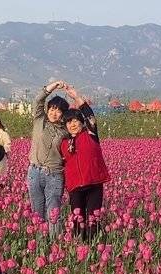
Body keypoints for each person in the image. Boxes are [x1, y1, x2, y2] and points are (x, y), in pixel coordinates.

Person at [28, 80, 71, 238]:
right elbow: (38, 100)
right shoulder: (39, 120)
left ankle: (54, 246)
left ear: (63, 114)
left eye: (58, 111)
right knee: (37, 211)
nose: (54, 113)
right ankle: (39, 243)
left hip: (54, 175)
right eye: (52, 108)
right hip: (34, 172)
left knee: (53, 212)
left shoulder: (66, 131)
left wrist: (73, 94)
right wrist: (52, 86)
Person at [60, 108, 110, 242]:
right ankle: (79, 245)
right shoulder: (64, 143)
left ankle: (94, 244)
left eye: (75, 120)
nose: (72, 124)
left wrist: (77, 98)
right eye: (69, 122)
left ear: (82, 122)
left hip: (94, 184)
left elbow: (91, 116)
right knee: (77, 218)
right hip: (75, 187)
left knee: (94, 218)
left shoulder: (91, 135)